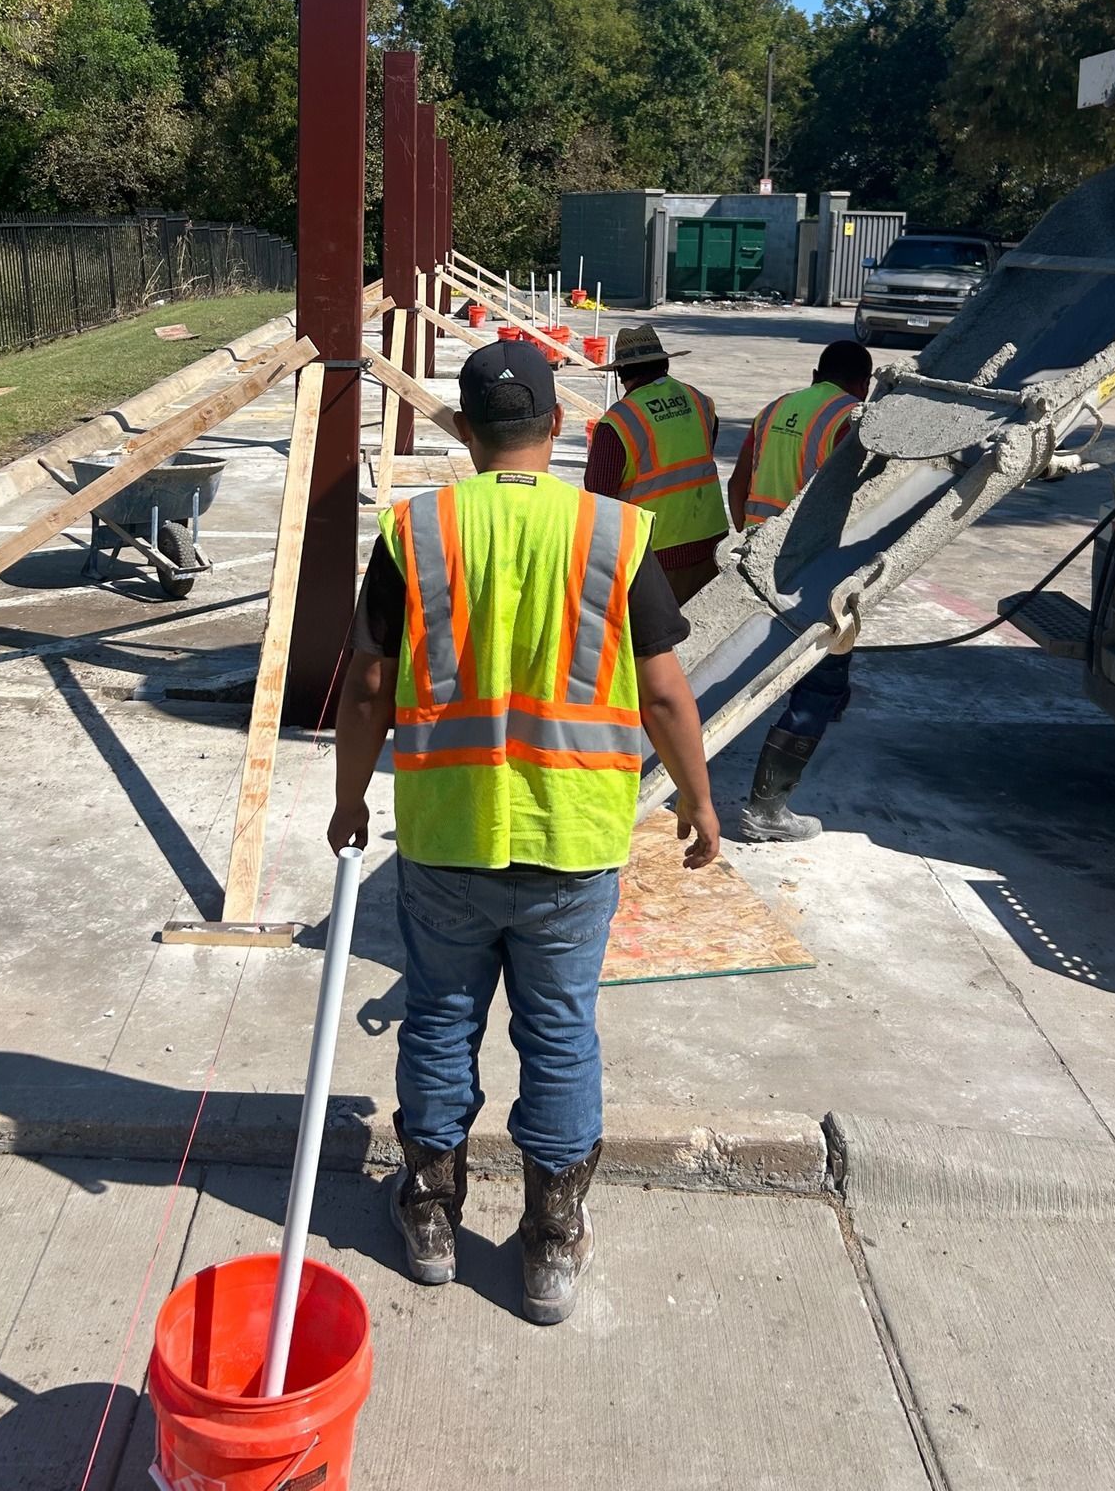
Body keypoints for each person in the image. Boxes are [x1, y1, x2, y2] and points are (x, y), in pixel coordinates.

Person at [330, 339, 720, 1326]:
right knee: (557, 1036)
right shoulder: (613, 535)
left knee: (440, 1021)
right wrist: (698, 799)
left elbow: (370, 681)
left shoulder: (416, 533)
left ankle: (429, 1219)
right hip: (574, 838)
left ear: (465, 433)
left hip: (446, 833)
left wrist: (347, 800)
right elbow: (666, 691)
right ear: (557, 425)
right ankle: (549, 1247)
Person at [726, 339, 874, 842]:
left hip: (760, 557)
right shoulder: (853, 416)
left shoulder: (776, 407)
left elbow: (740, 479)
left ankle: (830, 704)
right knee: (819, 682)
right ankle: (767, 810)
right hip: (811, 568)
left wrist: (747, 534)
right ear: (863, 383)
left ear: (816, 374)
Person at [585, 323, 728, 606]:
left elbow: (598, 501)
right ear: (664, 363)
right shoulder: (700, 401)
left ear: (621, 373)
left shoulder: (619, 422)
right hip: (712, 543)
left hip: (655, 556)